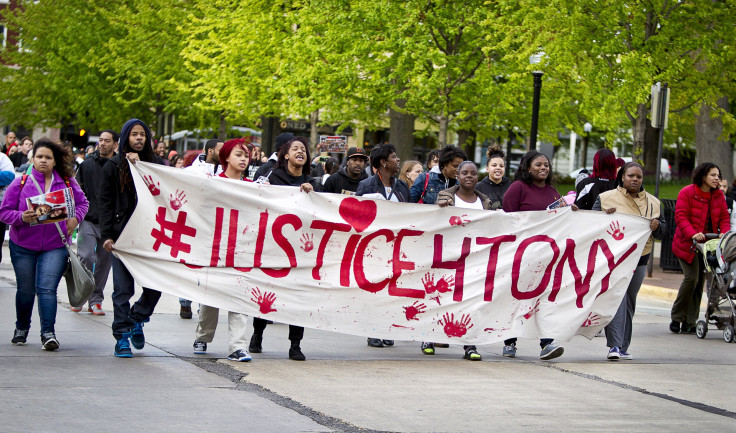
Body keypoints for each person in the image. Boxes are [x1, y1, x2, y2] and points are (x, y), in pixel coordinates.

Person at [0, 138, 89, 349]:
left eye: (48, 157)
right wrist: (22, 217)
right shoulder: (21, 182)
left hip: (55, 245)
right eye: (39, 156)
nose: (43, 161)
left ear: (55, 161)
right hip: (22, 246)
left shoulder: (67, 182)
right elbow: (4, 212)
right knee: (26, 290)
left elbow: (83, 203)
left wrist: (75, 219)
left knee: (47, 289)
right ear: (32, 158)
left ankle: (48, 333)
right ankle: (21, 328)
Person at [99, 119, 165, 358]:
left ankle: (136, 318)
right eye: (134, 134)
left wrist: (143, 168)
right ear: (126, 137)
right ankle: (122, 337)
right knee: (122, 289)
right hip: (122, 236)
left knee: (155, 286)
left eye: (143, 135)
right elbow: (105, 203)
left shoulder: (157, 165)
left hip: (152, 236)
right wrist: (107, 234)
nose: (139, 139)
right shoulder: (112, 167)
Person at [249, 136, 318, 361]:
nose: (300, 152)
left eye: (303, 150)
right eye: (295, 149)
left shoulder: (312, 182)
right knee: (268, 293)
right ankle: (257, 333)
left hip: (301, 251)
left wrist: (313, 194)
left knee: (298, 297)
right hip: (273, 247)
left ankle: (295, 345)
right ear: (285, 155)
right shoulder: (272, 177)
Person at [593, 162, 665, 360]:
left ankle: (623, 346)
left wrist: (657, 226)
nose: (635, 179)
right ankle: (614, 346)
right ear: (622, 177)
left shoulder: (654, 203)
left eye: (639, 177)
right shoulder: (606, 199)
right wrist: (603, 217)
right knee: (617, 299)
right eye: (631, 176)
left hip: (640, 259)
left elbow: (663, 232)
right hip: (614, 260)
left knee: (629, 302)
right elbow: (591, 225)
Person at [193, 138, 254, 362]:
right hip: (214, 249)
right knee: (210, 298)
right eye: (239, 154)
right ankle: (203, 336)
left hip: (242, 251)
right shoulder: (211, 183)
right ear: (226, 157)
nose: (243, 159)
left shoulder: (252, 188)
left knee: (240, 299)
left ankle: (237, 347)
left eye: (246, 155)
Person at [502, 150, 565, 360]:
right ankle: (509, 341)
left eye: (546, 165)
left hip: (546, 258)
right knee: (517, 299)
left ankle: (546, 343)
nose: (543, 168)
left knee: (544, 300)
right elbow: (508, 219)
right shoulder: (518, 188)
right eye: (538, 165)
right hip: (522, 256)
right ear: (528, 167)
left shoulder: (553, 192)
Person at [433, 161, 491, 361]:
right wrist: (440, 209)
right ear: (457, 176)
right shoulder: (445, 197)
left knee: (470, 303)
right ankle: (428, 337)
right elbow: (433, 222)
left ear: (478, 177)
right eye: (464, 173)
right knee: (441, 299)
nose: (469, 176)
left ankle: (469, 344)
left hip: (474, 260)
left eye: (473, 173)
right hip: (448, 258)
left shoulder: (486, 202)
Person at [356, 144, 409, 348]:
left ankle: (388, 329)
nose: (398, 160)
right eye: (394, 157)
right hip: (374, 247)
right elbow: (359, 214)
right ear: (383, 162)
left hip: (397, 247)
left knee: (393, 290)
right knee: (375, 290)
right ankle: (372, 331)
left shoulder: (402, 187)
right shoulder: (366, 185)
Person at [670, 162, 730, 334]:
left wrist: (724, 234)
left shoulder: (718, 196)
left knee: (700, 283)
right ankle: (677, 316)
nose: (716, 178)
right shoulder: (687, 192)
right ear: (703, 176)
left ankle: (690, 321)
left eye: (718, 175)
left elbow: (725, 218)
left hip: (708, 246)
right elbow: (680, 216)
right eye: (713, 175)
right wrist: (693, 234)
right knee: (691, 279)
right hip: (687, 244)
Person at [74, 129, 118, 315]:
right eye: (100, 140)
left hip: (110, 223)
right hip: (88, 219)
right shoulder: (87, 164)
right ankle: (79, 296)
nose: (102, 143)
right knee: (85, 256)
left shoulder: (119, 165)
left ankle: (96, 300)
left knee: (104, 262)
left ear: (115, 144)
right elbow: (77, 190)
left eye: (107, 140)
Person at [476, 145, 511, 210]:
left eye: (501, 166)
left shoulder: (511, 186)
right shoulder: (478, 188)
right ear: (487, 168)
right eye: (494, 165)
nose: (498, 168)